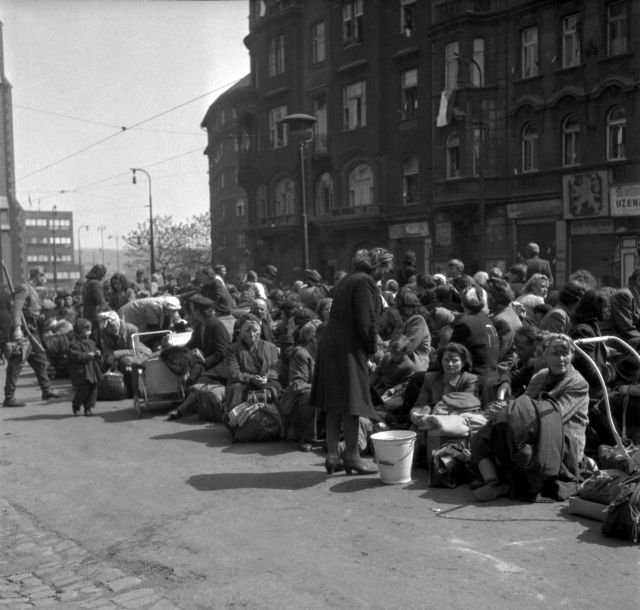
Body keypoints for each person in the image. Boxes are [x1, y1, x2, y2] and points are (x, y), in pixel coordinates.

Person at [471, 333, 589, 502]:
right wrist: (505, 411)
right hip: (535, 429)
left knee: (523, 448)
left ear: (572, 355)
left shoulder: (577, 383)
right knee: (492, 429)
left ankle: (509, 486)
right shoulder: (540, 376)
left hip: (561, 439)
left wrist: (510, 413)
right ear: (544, 355)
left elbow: (554, 417)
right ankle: (496, 481)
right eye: (555, 354)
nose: (561, 359)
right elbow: (525, 404)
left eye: (566, 353)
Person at [310, 247, 393, 476]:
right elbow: (366, 322)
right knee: (352, 404)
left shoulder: (348, 279)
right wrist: (373, 349)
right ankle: (352, 456)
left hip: (331, 346)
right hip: (348, 349)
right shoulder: (366, 283)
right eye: (384, 269)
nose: (384, 275)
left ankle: (332, 455)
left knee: (334, 404)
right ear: (377, 266)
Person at [167, 294, 230, 420]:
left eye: (193, 309)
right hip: (207, 363)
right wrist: (173, 351)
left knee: (201, 377)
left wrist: (204, 363)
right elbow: (190, 345)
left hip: (221, 366)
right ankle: (186, 400)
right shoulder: (200, 325)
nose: (191, 312)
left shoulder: (216, 325)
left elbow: (221, 352)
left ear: (199, 311)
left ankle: (181, 409)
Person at [4, 267, 59, 406]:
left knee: (40, 360)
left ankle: (46, 390)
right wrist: (17, 328)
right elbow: (16, 308)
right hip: (24, 329)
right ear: (37, 275)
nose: (45, 278)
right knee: (16, 362)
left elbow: (32, 309)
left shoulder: (34, 290)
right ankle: (9, 397)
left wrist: (38, 314)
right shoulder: (24, 288)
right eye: (43, 275)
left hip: (33, 330)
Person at [224, 315, 281, 412]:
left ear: (260, 331)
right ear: (241, 332)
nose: (251, 334)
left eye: (255, 330)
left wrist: (267, 377)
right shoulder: (232, 349)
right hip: (244, 383)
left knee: (276, 386)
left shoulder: (271, 347)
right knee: (234, 387)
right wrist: (251, 378)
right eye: (247, 331)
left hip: (265, 382)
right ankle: (236, 417)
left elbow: (275, 369)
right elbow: (233, 373)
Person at [68, 318, 103, 416]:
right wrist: (88, 355)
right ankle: (76, 405)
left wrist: (98, 353)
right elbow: (75, 355)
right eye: (86, 329)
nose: (89, 331)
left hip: (92, 370)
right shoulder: (74, 343)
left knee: (93, 390)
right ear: (79, 331)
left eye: (89, 329)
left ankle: (89, 408)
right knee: (83, 389)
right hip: (82, 371)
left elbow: (95, 349)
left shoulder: (91, 342)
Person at [609, 268, 640, 348]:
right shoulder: (624, 295)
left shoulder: (636, 296)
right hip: (620, 339)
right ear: (631, 281)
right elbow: (626, 329)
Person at [81, 264, 108, 337]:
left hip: (87, 316)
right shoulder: (95, 284)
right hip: (95, 318)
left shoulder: (87, 283)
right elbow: (100, 301)